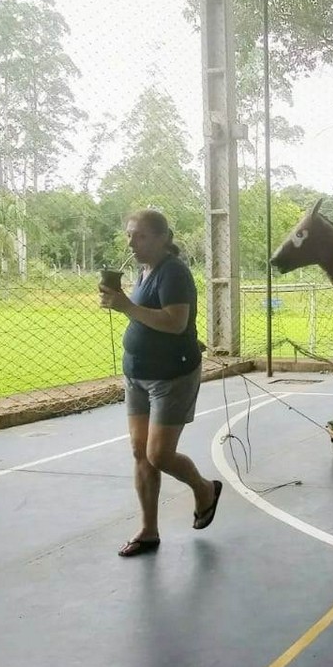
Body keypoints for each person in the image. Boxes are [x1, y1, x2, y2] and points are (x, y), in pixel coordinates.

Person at [98, 209, 222, 557]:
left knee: (159, 454)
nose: (132, 243)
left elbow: (175, 322)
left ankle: (204, 489)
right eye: (129, 235)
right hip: (136, 373)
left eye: (140, 236)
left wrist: (125, 306)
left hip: (171, 375)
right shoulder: (144, 270)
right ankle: (148, 530)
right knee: (140, 453)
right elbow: (147, 314)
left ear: (163, 238)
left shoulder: (174, 272)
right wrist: (120, 301)